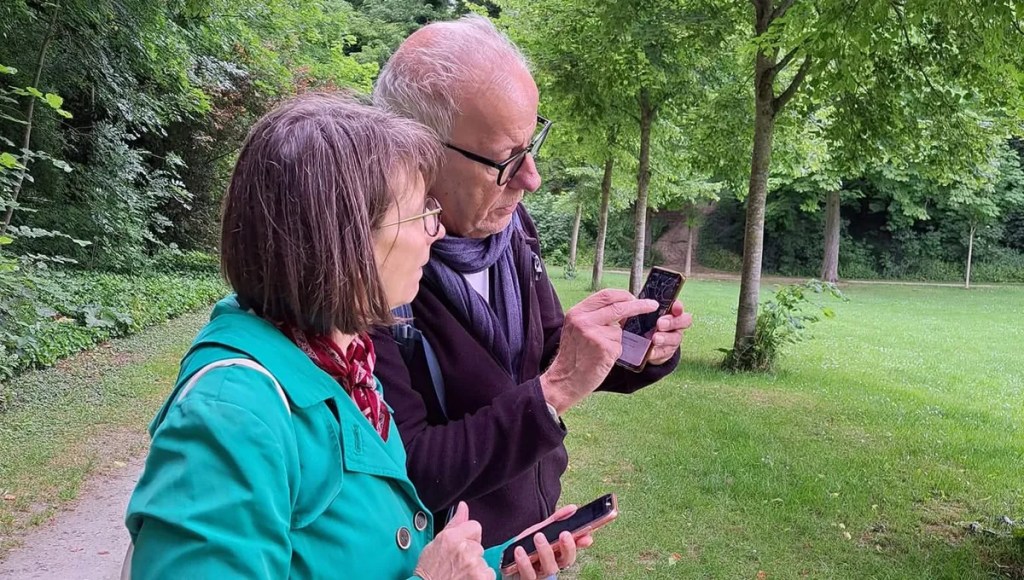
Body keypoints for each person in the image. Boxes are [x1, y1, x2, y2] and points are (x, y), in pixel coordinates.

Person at [123, 93, 588, 579]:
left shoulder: (348, 365)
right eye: (420, 213)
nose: (436, 232)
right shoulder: (231, 414)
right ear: (347, 241)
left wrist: (496, 565)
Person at [370, 16, 694, 546]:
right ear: (417, 150)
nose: (532, 178)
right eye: (506, 160)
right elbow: (409, 468)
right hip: (449, 561)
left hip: (530, 534)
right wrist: (556, 390)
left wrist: (627, 347)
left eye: (532, 143)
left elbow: (544, 351)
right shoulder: (375, 272)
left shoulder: (510, 226)